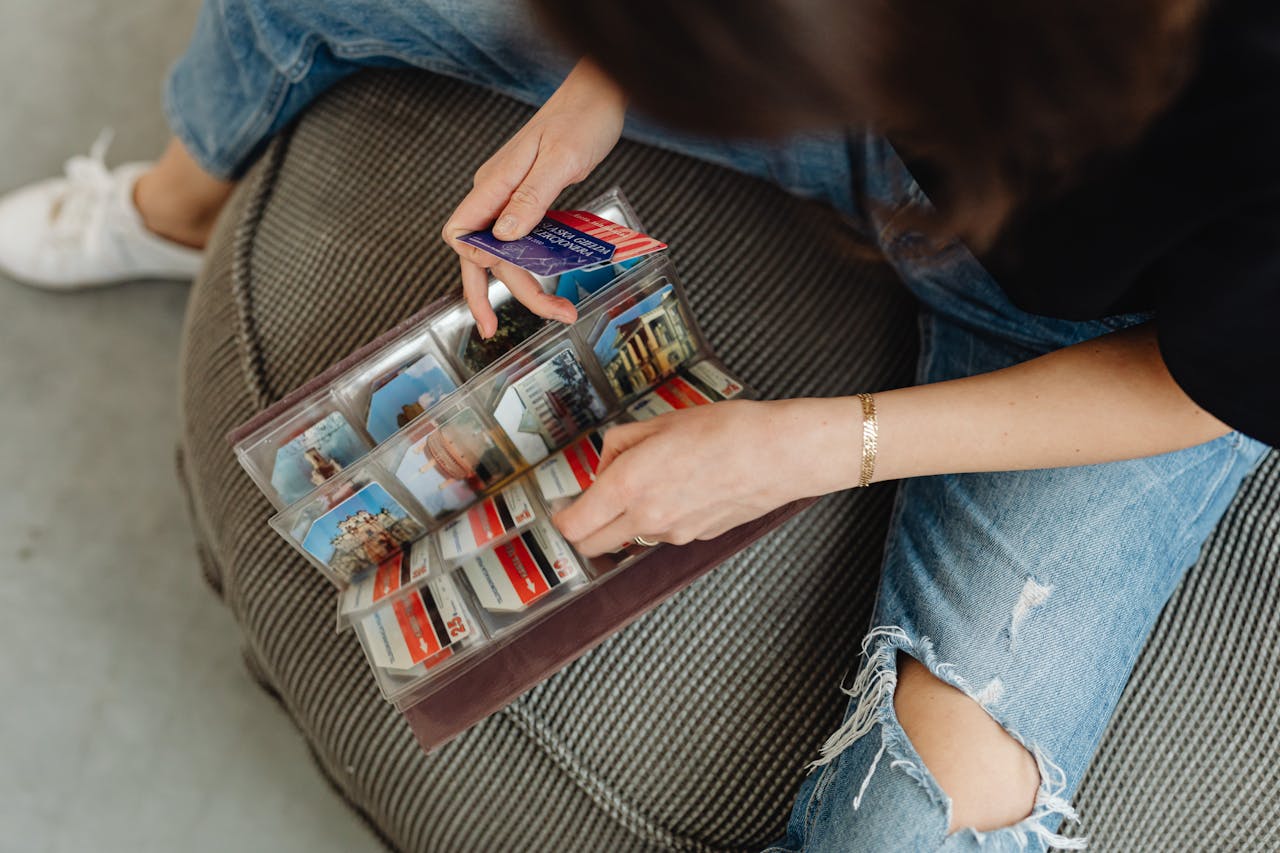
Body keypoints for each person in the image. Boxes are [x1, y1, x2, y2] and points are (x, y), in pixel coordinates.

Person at [2, 0, 1275, 848]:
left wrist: (813, 444)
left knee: (916, 825)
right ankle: (172, 210)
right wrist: (602, 84)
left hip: (1099, 337)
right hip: (867, 98)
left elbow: (1199, 383)